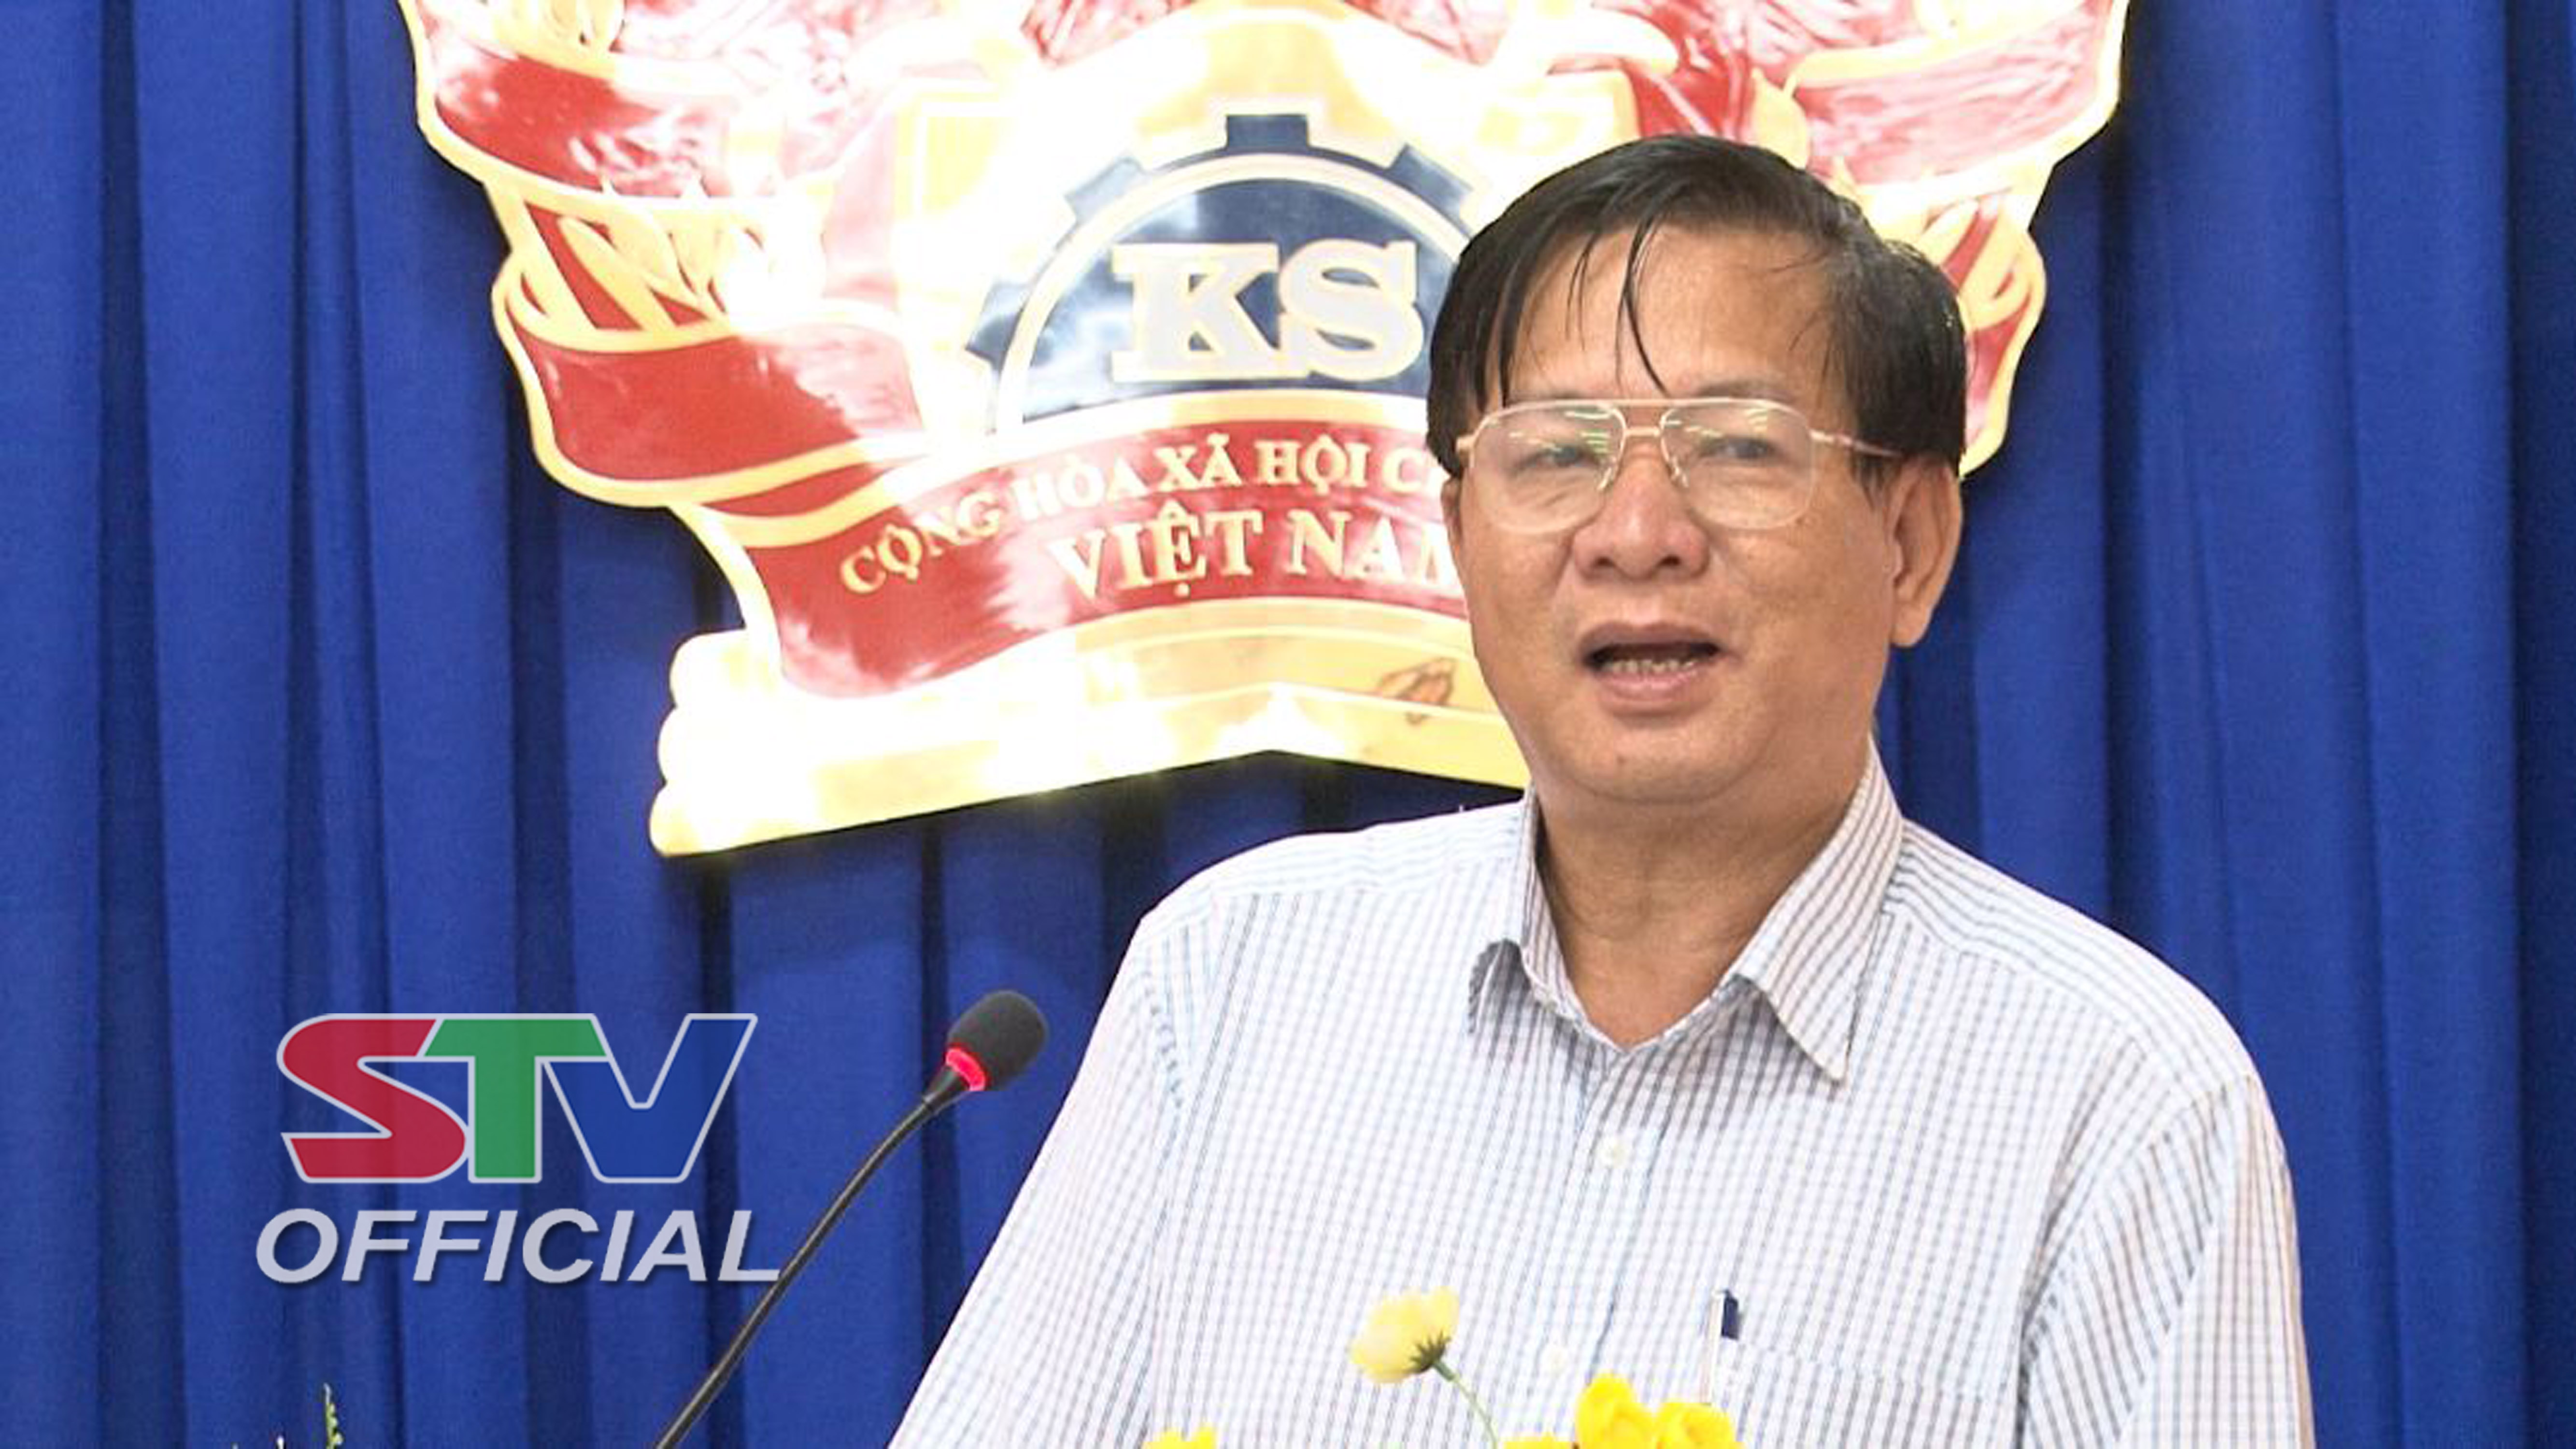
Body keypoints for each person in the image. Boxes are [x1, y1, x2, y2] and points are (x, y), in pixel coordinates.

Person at [893, 134, 2312, 1446]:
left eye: (1737, 448)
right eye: (1558, 455)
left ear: (1912, 541)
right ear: (1459, 535)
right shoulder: (1228, 980)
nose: (1636, 534)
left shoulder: (2119, 1096)